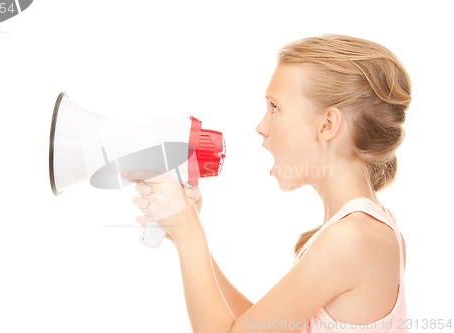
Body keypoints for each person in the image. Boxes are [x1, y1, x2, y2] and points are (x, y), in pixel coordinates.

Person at [121, 34, 410, 333]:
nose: (261, 127)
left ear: (327, 125)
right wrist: (189, 230)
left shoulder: (351, 239)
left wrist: (189, 234)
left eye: (275, 107)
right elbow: (255, 326)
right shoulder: (369, 227)